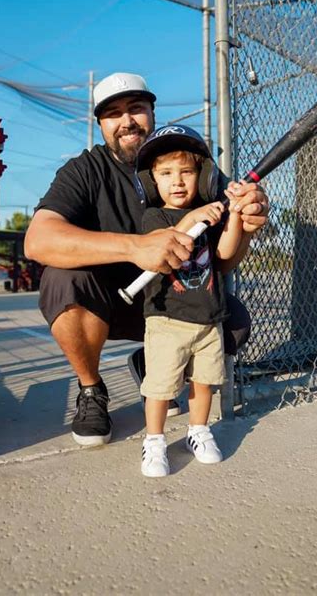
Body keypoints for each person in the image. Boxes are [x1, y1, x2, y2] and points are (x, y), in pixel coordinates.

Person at [24, 72, 269, 447]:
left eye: (136, 108)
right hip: (108, 302)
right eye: (113, 113)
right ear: (100, 124)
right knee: (62, 281)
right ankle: (92, 390)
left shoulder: (196, 169)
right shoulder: (85, 170)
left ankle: (151, 363)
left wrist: (245, 225)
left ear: (152, 111)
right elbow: (38, 240)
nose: (126, 121)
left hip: (175, 301)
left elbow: (221, 263)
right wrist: (135, 247)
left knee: (233, 325)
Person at [135, 126, 244, 477]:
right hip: (167, 319)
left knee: (204, 381)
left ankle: (198, 431)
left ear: (202, 176)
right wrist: (194, 217)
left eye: (187, 172)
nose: (177, 182)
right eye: (166, 174)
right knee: (161, 386)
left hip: (207, 318)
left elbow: (225, 252)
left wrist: (236, 215)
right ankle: (154, 440)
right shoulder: (153, 217)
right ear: (153, 181)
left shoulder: (208, 213)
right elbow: (168, 242)